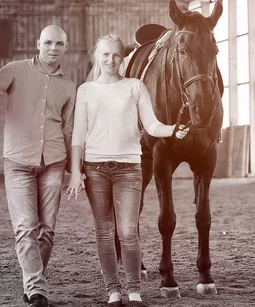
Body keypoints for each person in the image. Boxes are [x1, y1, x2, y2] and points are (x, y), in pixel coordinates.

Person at [65, 34, 189, 307]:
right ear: (98, 56)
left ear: (123, 58)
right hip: (95, 169)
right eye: (106, 55)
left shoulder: (135, 86)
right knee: (104, 231)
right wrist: (75, 171)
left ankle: (133, 292)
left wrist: (172, 130)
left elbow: (152, 124)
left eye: (116, 55)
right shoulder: (85, 90)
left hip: (130, 169)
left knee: (128, 231)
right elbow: (78, 136)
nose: (111, 60)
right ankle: (113, 292)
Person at [0, 25, 77, 307]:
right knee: (26, 228)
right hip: (18, 162)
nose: (53, 48)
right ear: (38, 43)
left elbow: (70, 131)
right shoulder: (15, 70)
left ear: (65, 47)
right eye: (48, 42)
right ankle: (37, 288)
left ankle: (33, 279)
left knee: (47, 230)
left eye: (59, 44)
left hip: (54, 162)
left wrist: (75, 169)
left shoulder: (69, 86)